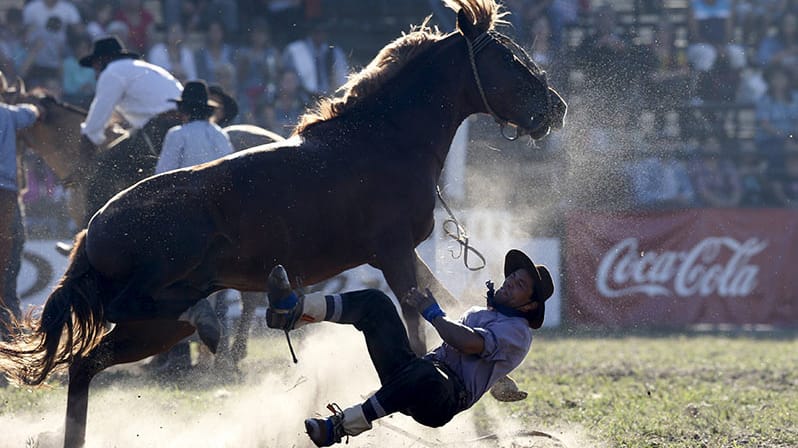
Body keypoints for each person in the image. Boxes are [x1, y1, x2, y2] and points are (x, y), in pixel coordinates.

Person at [265, 249, 554, 447]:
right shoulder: (484, 313)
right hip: (420, 374)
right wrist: (496, 379)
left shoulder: (518, 332)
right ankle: (296, 311)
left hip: (441, 398)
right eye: (511, 278)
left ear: (529, 305)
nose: (508, 284)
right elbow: (478, 354)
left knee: (424, 372)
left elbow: (468, 343)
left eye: (518, 285)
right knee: (376, 303)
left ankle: (339, 427)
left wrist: (433, 314)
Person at [149, 80, 234, 371]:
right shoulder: (220, 135)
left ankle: (179, 356)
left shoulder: (177, 135)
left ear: (184, 110)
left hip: (187, 219)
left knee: (178, 282)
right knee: (220, 284)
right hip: (223, 220)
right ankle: (219, 357)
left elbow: (163, 177)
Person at [78, 36, 183, 219]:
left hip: (158, 129)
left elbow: (95, 124)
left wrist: (85, 154)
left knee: (102, 170)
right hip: (179, 123)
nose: (95, 72)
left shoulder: (112, 72)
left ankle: (89, 236)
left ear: (104, 60)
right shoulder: (146, 68)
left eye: (95, 65)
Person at [0, 83, 42, 341]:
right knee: (10, 262)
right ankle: (10, 336)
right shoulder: (9, 113)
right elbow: (35, 112)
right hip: (5, 192)